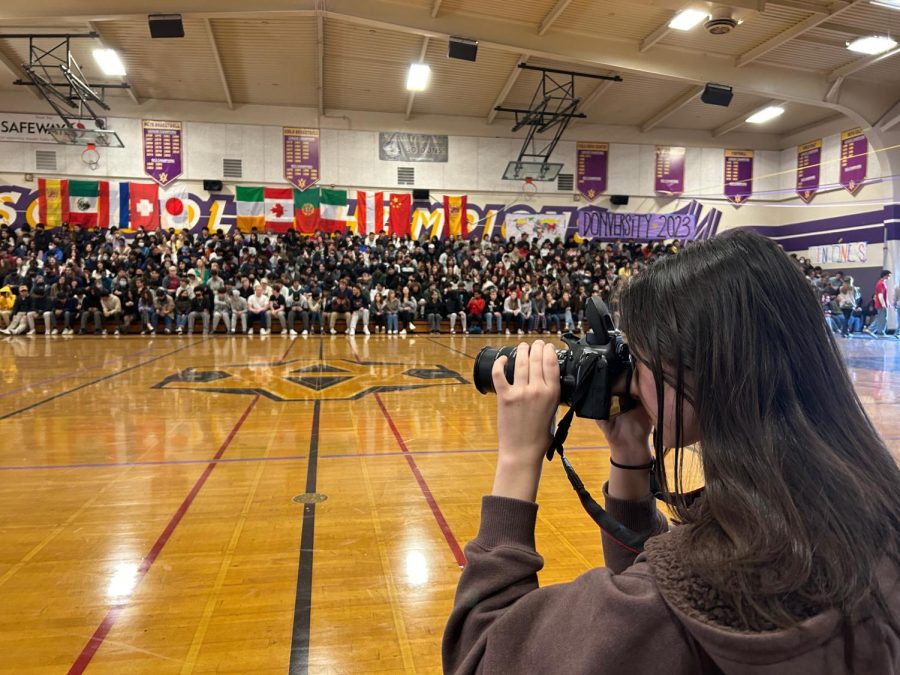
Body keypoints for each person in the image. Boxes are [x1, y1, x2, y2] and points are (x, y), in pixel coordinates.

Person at [443, 231, 900, 674]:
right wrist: (629, 451)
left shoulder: (700, 588)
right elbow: (649, 577)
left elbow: (481, 654)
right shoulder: (861, 503)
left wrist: (518, 460)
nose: (634, 378)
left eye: (640, 360)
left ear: (708, 373)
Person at [867, 270, 892, 337]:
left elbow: (884, 295)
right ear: (885, 275)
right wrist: (883, 304)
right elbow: (880, 295)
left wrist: (887, 303)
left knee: (882, 318)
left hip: (882, 304)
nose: (889, 277)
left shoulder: (882, 283)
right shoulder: (880, 283)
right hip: (880, 304)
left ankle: (875, 331)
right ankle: (877, 331)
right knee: (882, 318)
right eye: (889, 275)